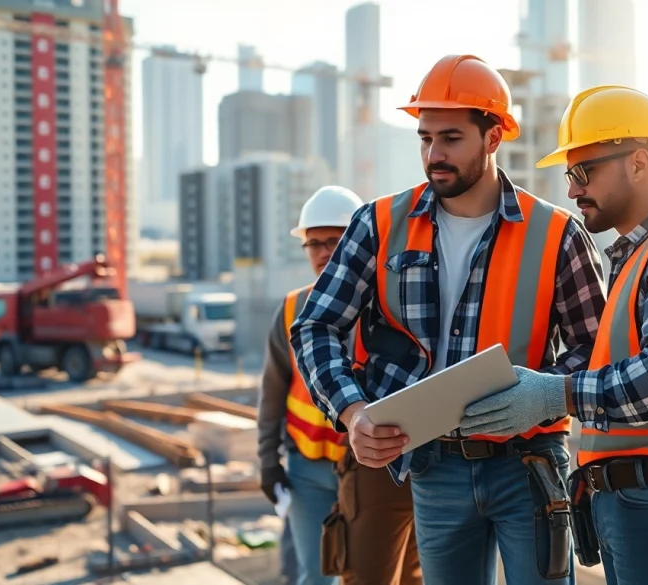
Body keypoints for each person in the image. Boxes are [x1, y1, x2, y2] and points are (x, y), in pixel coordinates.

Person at [290, 54, 606, 585]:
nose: (433, 155)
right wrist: (351, 412)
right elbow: (315, 326)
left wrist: (543, 392)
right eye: (424, 138)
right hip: (432, 466)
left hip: (529, 462)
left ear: (493, 137)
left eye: (451, 139)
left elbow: (596, 350)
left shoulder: (557, 234)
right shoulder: (379, 224)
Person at [459, 85, 648, 584]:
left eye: (584, 172)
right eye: (569, 175)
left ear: (639, 163)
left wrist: (553, 393)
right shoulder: (644, 256)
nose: (572, 189)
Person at [258, 185, 364, 585]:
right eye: (313, 243)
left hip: (368, 469)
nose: (322, 253)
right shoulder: (290, 310)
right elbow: (271, 395)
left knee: (369, 574)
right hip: (306, 471)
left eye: (333, 242)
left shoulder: (385, 309)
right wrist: (268, 461)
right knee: (315, 576)